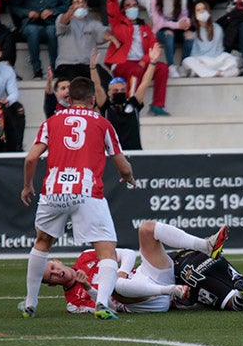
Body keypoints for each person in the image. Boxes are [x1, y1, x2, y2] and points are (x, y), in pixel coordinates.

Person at [18, 75, 137, 321]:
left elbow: (31, 158)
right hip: (86, 191)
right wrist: (129, 177)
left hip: (54, 190)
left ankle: (30, 304)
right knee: (106, 250)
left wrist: (28, 186)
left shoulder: (50, 122)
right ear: (93, 99)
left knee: (42, 243)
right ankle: (102, 303)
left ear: (68, 98)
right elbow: (121, 163)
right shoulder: (103, 123)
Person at [45, 220, 229, 314]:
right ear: (52, 284)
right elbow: (107, 308)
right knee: (114, 286)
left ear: (57, 261)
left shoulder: (86, 256)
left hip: (142, 275)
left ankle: (206, 245)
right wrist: (88, 288)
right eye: (51, 277)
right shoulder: (73, 304)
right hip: (139, 302)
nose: (57, 273)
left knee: (146, 229)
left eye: (52, 268)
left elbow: (129, 254)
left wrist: (122, 272)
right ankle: (172, 291)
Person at [105, 0, 170, 114]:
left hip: (140, 62)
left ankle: (157, 105)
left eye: (134, 5)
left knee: (162, 68)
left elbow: (154, 47)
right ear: (122, 9)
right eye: (128, 6)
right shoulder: (117, 22)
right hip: (123, 62)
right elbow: (111, 2)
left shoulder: (144, 26)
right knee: (136, 71)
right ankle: (131, 105)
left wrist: (144, 61)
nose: (132, 8)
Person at [10, 0, 70, 78]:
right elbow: (14, 7)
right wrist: (28, 13)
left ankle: (55, 68)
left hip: (50, 22)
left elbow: (66, 4)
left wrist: (53, 11)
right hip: (30, 24)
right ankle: (37, 69)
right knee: (33, 31)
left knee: (52, 30)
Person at [93, 42, 161, 149]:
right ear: (109, 92)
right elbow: (97, 86)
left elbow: (145, 83)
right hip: (113, 155)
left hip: (135, 153)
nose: (119, 92)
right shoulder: (106, 106)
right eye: (116, 90)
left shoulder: (133, 104)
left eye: (122, 90)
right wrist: (92, 68)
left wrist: (152, 62)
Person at [53, 0, 113, 83]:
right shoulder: (63, 18)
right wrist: (69, 13)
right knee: (76, 85)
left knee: (108, 81)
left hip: (89, 65)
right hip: (68, 65)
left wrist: (110, 36)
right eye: (77, 2)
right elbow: (62, 23)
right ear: (71, 6)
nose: (81, 4)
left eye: (83, 2)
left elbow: (105, 33)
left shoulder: (92, 23)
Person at [180, 0, 238, 77]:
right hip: (201, 60)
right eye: (198, 10)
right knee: (187, 61)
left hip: (215, 60)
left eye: (204, 9)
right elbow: (193, 54)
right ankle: (218, 73)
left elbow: (219, 50)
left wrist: (214, 62)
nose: (201, 12)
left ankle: (209, 72)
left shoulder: (217, 28)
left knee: (230, 58)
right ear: (194, 14)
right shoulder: (193, 31)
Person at [150, 0, 191, 77]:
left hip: (177, 26)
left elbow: (185, 15)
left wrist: (186, 23)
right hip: (162, 28)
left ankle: (183, 66)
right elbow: (158, 22)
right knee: (169, 34)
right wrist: (177, 25)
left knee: (190, 36)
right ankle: (171, 66)